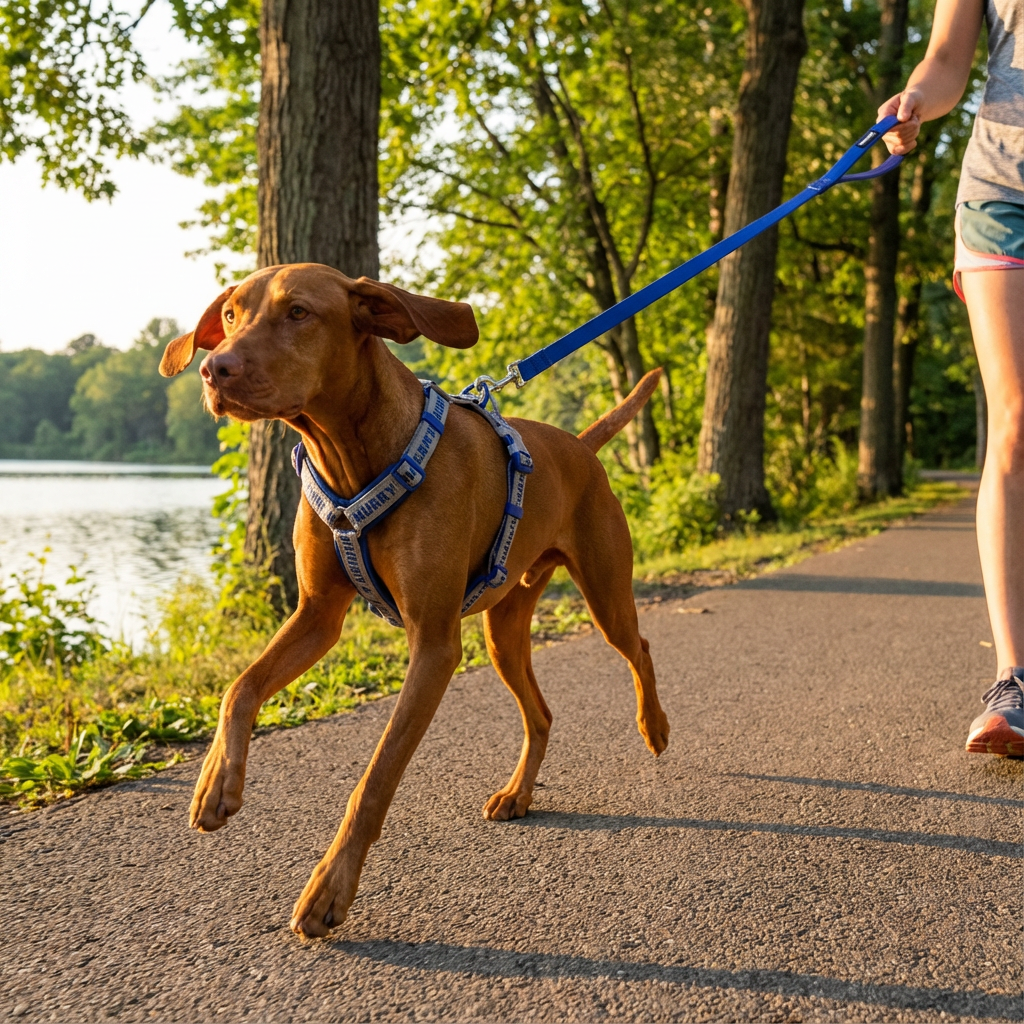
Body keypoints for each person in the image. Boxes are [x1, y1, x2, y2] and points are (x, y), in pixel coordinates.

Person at [879, 0, 1023, 756]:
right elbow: (946, 60)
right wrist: (914, 102)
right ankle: (1015, 680)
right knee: (1018, 420)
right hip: (1004, 189)